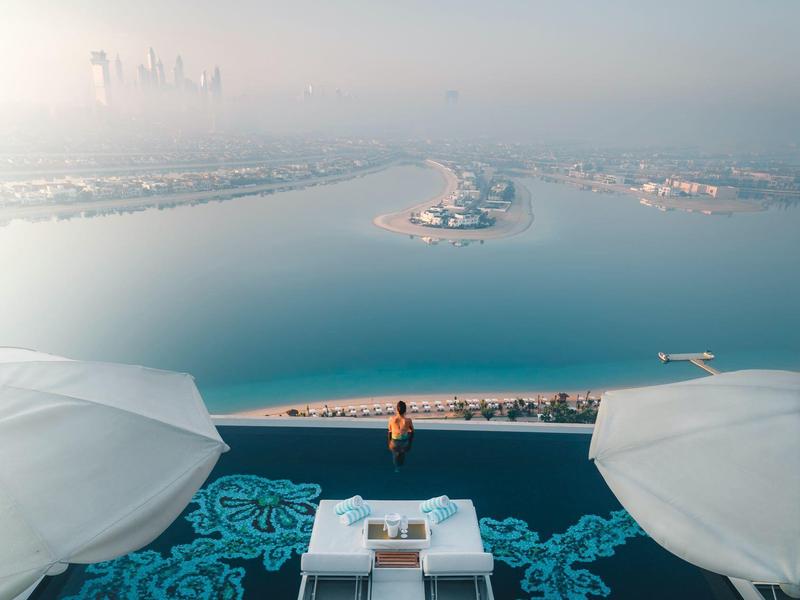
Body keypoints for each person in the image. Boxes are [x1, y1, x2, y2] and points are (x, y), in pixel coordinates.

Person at [388, 400, 414, 472]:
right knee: (402, 453)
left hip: (394, 442)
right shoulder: (408, 420)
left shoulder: (391, 419)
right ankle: (400, 463)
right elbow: (412, 432)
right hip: (404, 442)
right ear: (405, 410)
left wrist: (389, 442)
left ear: (397, 409)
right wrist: (410, 443)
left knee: (395, 455)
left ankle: (397, 468)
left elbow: (389, 432)